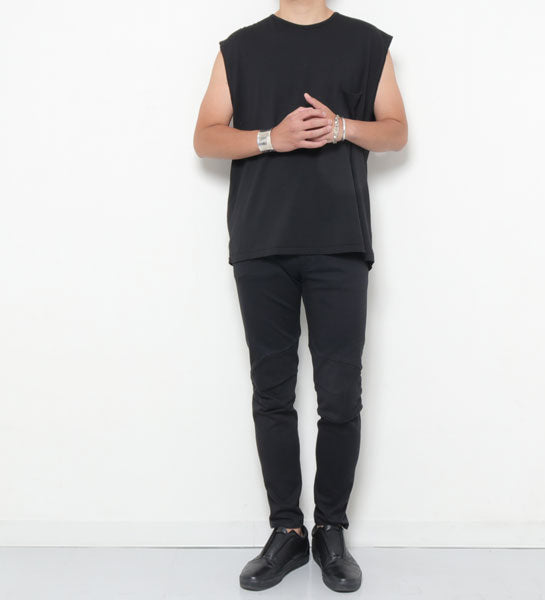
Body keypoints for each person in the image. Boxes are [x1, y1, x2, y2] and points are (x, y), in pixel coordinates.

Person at [193, 0, 407, 592]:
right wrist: (271, 138)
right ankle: (286, 531)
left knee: (340, 395)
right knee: (272, 392)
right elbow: (205, 138)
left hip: (340, 243)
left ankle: (330, 531)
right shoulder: (239, 47)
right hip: (262, 241)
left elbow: (396, 130)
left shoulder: (368, 43)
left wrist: (342, 127)